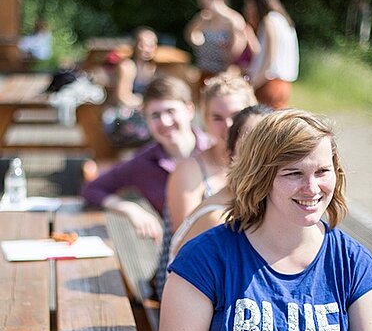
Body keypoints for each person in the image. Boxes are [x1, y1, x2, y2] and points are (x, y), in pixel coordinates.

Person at [151, 109, 372, 331]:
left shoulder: (353, 263)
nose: (311, 188)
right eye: (294, 173)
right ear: (261, 177)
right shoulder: (205, 258)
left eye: (322, 172)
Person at [152, 72, 257, 299]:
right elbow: (190, 245)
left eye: (237, 116)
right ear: (205, 120)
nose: (229, 126)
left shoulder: (262, 167)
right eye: (217, 118)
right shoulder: (190, 170)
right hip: (189, 278)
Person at [81, 75, 211, 243]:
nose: (164, 121)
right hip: (177, 255)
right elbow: (91, 190)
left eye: (171, 111)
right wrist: (130, 208)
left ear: (189, 110)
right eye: (155, 115)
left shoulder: (214, 150)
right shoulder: (144, 162)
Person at [167, 104, 273, 263]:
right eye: (250, 143)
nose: (260, 153)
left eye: (270, 144)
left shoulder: (258, 206)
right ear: (231, 154)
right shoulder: (219, 220)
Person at [243, 0, 299, 109]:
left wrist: (252, 85)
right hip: (283, 84)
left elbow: (270, 60)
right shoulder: (283, 20)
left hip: (268, 84)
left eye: (250, 5)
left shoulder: (269, 21)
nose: (248, 9)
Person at [103, 26, 158, 147]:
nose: (147, 48)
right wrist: (148, 103)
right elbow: (122, 97)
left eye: (151, 44)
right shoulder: (127, 66)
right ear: (135, 44)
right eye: (142, 44)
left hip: (143, 113)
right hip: (120, 116)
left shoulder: (153, 69)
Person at [184, 0, 248, 90]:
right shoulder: (203, 17)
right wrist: (199, 21)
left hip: (224, 78)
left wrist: (226, 19)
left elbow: (237, 54)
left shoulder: (233, 19)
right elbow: (190, 38)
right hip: (203, 74)